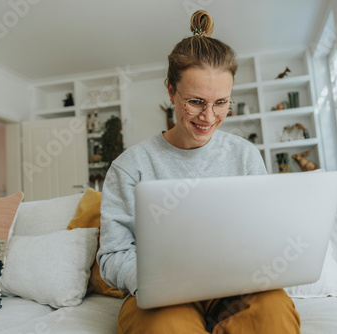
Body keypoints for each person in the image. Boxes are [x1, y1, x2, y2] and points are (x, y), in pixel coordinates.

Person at [97, 10, 301, 334]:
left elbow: (265, 235)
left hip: (236, 288)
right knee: (165, 327)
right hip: (163, 296)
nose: (209, 116)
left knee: (274, 312)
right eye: (195, 101)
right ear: (170, 92)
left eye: (221, 102)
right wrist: (157, 280)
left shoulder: (246, 156)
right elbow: (112, 255)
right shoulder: (130, 167)